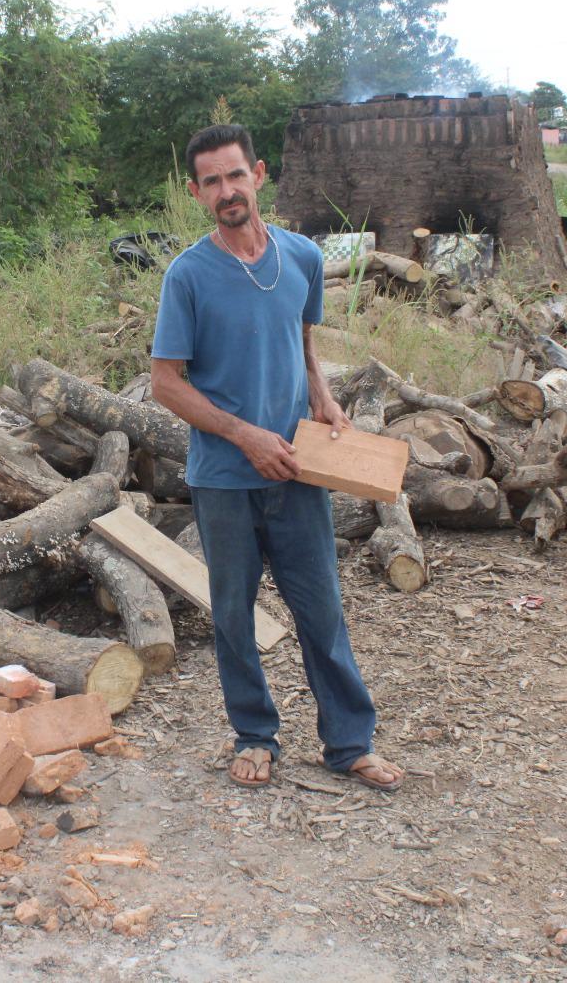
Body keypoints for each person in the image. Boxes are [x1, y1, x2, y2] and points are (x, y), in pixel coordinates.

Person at [149, 123, 404, 792]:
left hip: (297, 469)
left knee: (322, 611)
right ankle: (255, 734)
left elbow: (303, 339)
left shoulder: (302, 258)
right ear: (197, 192)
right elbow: (165, 383)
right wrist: (245, 436)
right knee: (234, 616)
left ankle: (349, 743)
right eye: (212, 182)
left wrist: (322, 396)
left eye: (235, 175)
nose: (227, 191)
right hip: (224, 478)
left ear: (258, 175)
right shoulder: (188, 276)